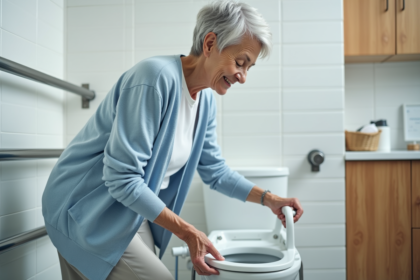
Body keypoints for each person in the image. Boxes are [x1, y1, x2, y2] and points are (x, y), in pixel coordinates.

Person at [42, 1, 304, 279]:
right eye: (240, 62)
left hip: (124, 206)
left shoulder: (205, 101)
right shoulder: (153, 79)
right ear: (210, 43)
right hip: (84, 207)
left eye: (249, 67)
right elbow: (122, 178)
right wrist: (188, 232)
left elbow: (215, 171)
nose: (243, 76)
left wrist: (269, 199)